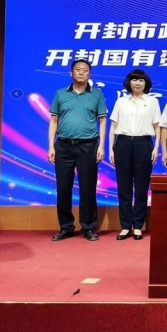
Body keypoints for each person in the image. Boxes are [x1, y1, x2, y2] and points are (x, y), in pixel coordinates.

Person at [48, 59, 107, 242]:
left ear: (90, 74)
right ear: (71, 73)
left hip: (88, 146)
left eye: (85, 70)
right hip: (63, 146)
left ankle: (88, 227)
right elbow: (54, 120)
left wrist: (101, 146)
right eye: (78, 70)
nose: (81, 72)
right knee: (63, 188)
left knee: (88, 188)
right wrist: (51, 146)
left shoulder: (96, 94)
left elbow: (102, 121)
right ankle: (66, 227)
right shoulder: (60, 93)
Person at [109, 69, 161, 241]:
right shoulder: (121, 101)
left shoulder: (152, 101)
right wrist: (111, 149)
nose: (138, 83)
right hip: (123, 143)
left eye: (141, 80)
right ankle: (125, 226)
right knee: (123, 187)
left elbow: (157, 127)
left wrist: (156, 148)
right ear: (129, 82)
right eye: (134, 80)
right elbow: (113, 127)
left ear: (146, 83)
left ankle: (138, 226)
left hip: (143, 144)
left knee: (141, 187)